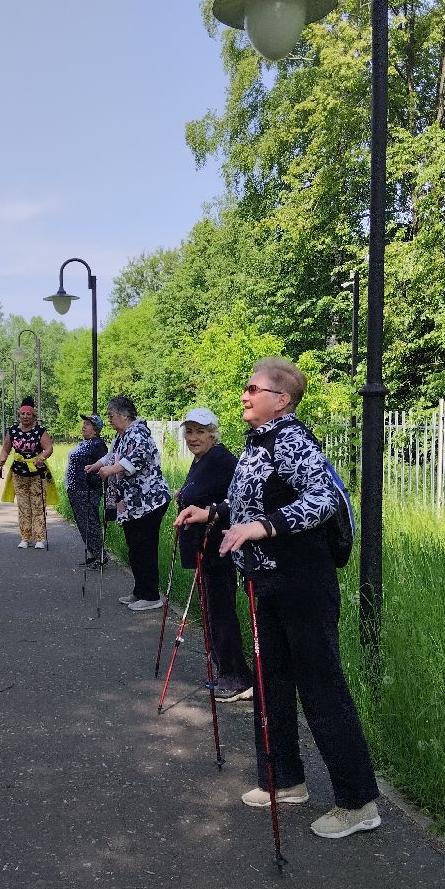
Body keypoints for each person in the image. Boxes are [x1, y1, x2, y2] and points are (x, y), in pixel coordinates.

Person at [175, 357, 381, 840]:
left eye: (253, 389)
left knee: (320, 686)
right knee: (271, 684)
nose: (244, 396)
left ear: (281, 398)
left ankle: (358, 803)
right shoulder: (259, 442)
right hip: (267, 582)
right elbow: (252, 501)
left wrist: (261, 528)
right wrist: (212, 513)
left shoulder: (291, 439)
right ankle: (284, 781)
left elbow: (322, 498)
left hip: (302, 583)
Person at [176, 407, 253, 704]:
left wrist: (208, 510)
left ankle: (236, 677)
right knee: (213, 611)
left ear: (213, 433)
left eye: (200, 431)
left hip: (219, 548)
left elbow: (237, 502)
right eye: (190, 431)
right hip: (204, 549)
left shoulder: (222, 459)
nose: (193, 438)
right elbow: (201, 493)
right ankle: (226, 670)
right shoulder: (203, 459)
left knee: (221, 612)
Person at [85, 395, 170, 611]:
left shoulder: (139, 432)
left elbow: (138, 458)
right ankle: (139, 591)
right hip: (133, 504)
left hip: (149, 502)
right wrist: (96, 465)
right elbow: (112, 456)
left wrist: (111, 470)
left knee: (144, 548)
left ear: (123, 415)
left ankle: (151, 596)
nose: (109, 419)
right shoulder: (121, 436)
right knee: (135, 548)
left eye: (111, 415)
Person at [0, 396, 53, 549]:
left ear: (33, 415)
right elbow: (6, 449)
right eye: (23, 414)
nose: (25, 416)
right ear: (19, 415)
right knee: (23, 506)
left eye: (28, 414)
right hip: (19, 473)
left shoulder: (39, 431)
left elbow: (49, 448)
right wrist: (2, 459)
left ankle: (40, 538)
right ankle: (25, 537)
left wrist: (41, 457)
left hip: (37, 473)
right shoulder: (13, 431)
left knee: (38, 505)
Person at [65, 413, 108, 566]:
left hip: (87, 490)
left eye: (88, 424)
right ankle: (95, 554)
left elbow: (105, 465)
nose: (83, 426)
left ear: (95, 429)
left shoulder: (98, 445)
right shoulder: (85, 443)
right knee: (83, 524)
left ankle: (101, 557)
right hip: (76, 489)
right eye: (84, 423)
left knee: (90, 523)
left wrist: (94, 482)